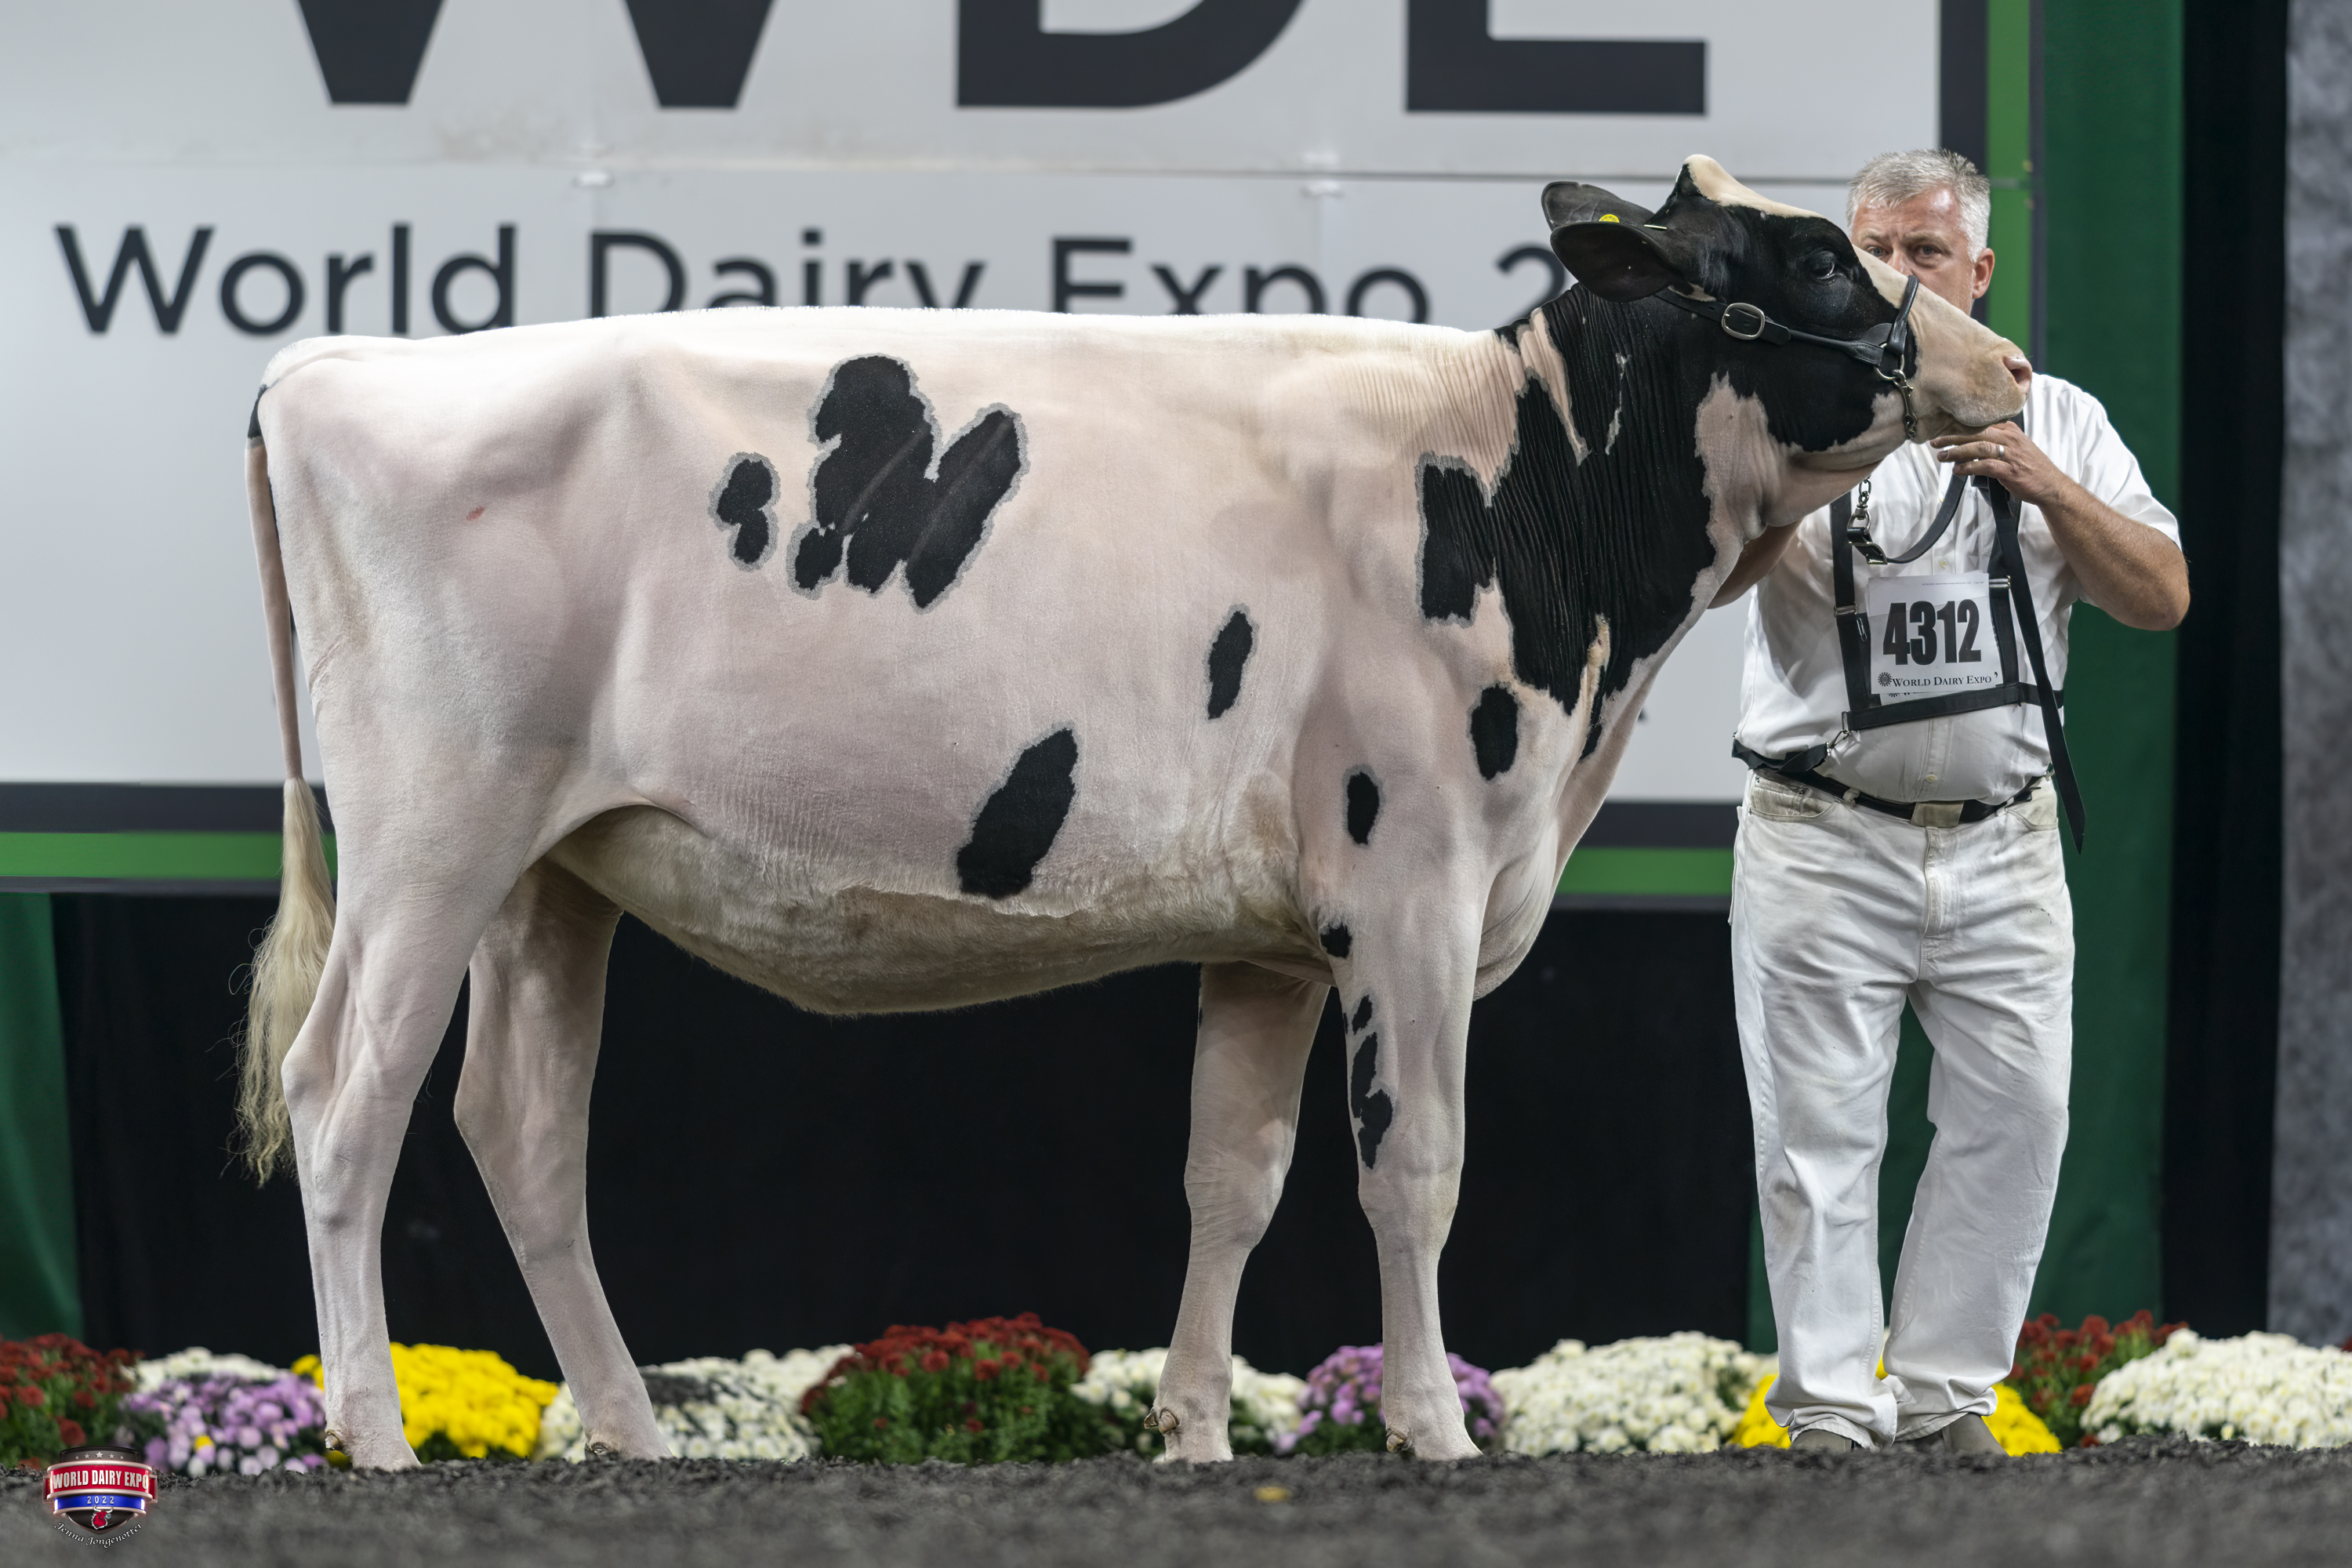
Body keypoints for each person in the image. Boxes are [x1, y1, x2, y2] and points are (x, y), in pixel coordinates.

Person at [1711, 149, 2189, 1453]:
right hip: (1822, 831)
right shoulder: (1796, 412)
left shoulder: (2059, 415)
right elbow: (1708, 582)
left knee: (2017, 1123)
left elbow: (2162, 593)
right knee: (1817, 1136)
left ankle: (1947, 1400)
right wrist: (1811, 469)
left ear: (1977, 273)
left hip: (2003, 842)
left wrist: (2044, 483)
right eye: (1872, 252)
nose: (1895, 275)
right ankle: (1827, 1411)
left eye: (1923, 253)